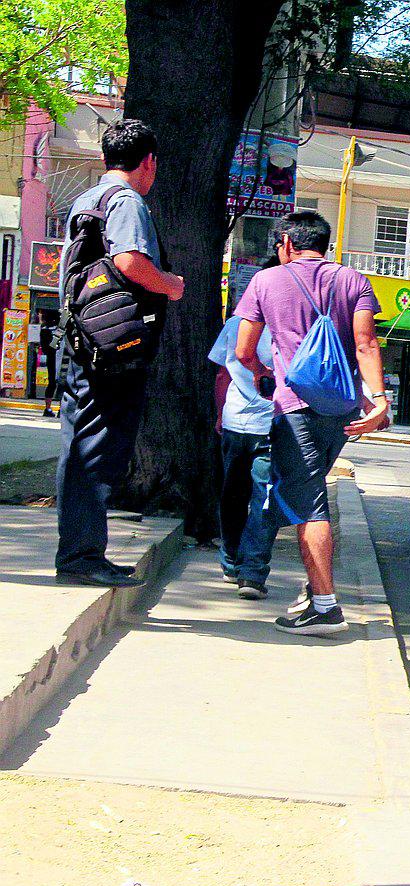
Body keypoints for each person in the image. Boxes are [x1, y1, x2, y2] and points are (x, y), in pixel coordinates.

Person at [233, 211, 388, 636]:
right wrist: (379, 399)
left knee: (310, 505)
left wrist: (264, 371)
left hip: (295, 406)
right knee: (312, 490)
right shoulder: (353, 280)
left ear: (286, 242)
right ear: (325, 243)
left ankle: (325, 607)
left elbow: (245, 350)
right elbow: (365, 342)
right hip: (341, 409)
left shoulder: (265, 282)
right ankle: (313, 587)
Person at [55, 119, 185, 588]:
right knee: (99, 449)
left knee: (80, 445)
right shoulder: (127, 201)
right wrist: (171, 285)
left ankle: (79, 550)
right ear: (148, 161)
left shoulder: (86, 199)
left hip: (84, 339)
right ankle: (82, 557)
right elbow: (130, 261)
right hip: (112, 348)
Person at [209, 311, 276, 600]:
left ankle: (231, 561)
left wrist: (220, 413)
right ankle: (252, 571)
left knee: (232, 493)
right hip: (273, 423)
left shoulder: (235, 324)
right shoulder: (291, 322)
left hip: (236, 419)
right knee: (265, 498)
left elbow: (223, 374)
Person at [38, 312, 60, 418]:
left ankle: (48, 408)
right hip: (59, 358)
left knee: (52, 383)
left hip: (51, 359)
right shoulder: (59, 331)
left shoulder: (44, 330)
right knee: (61, 383)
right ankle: (60, 408)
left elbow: (45, 348)